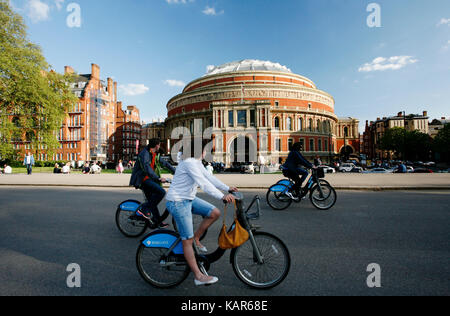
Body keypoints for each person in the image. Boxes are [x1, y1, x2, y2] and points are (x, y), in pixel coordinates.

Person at [165, 138, 238, 286]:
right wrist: (222, 196)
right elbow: (203, 184)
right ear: (200, 151)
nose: (207, 152)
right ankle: (198, 276)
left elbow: (209, 177)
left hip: (188, 199)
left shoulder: (196, 162)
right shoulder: (189, 163)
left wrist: (227, 188)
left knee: (214, 213)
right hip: (178, 202)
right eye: (206, 150)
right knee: (187, 240)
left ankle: (197, 239)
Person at [129, 138, 176, 228]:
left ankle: (157, 222)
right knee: (161, 192)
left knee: (152, 201)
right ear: (156, 145)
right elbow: (146, 168)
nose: (159, 146)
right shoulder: (145, 154)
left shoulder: (154, 154)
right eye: (159, 144)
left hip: (149, 179)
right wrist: (158, 178)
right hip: (142, 179)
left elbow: (165, 164)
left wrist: (176, 172)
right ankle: (143, 209)